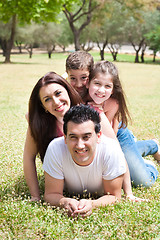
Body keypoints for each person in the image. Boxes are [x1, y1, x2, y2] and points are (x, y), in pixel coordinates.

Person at [65, 51, 159, 188]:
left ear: (90, 75)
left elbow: (111, 138)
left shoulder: (110, 101)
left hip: (116, 135)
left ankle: (152, 147)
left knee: (142, 181)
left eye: (84, 77)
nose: (79, 84)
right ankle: (136, 151)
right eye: (73, 78)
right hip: (97, 136)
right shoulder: (69, 93)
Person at [43, 104, 126, 217]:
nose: (80, 145)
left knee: (141, 176)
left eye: (86, 137)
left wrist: (93, 204)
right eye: (73, 137)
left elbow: (114, 196)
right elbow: (51, 194)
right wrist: (64, 202)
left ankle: (152, 146)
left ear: (99, 136)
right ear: (65, 138)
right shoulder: (55, 148)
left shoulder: (111, 149)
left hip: (120, 155)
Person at [23, 72, 83, 201]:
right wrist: (35, 196)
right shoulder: (41, 126)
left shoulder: (88, 115)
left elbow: (113, 149)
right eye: (47, 99)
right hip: (67, 180)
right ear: (43, 107)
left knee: (138, 177)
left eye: (58, 93)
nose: (56, 102)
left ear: (67, 90)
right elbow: (28, 157)